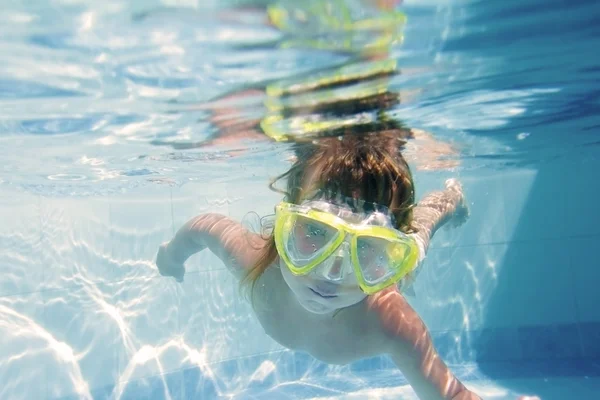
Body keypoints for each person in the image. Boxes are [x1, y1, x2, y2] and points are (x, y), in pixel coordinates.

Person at [156, 130, 541, 400]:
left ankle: (449, 201)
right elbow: (204, 227)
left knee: (421, 229)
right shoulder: (255, 261)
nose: (332, 273)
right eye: (315, 233)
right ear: (283, 226)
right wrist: (171, 254)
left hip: (400, 256)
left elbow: (446, 394)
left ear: (390, 255)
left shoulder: (390, 322)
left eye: (370, 249)